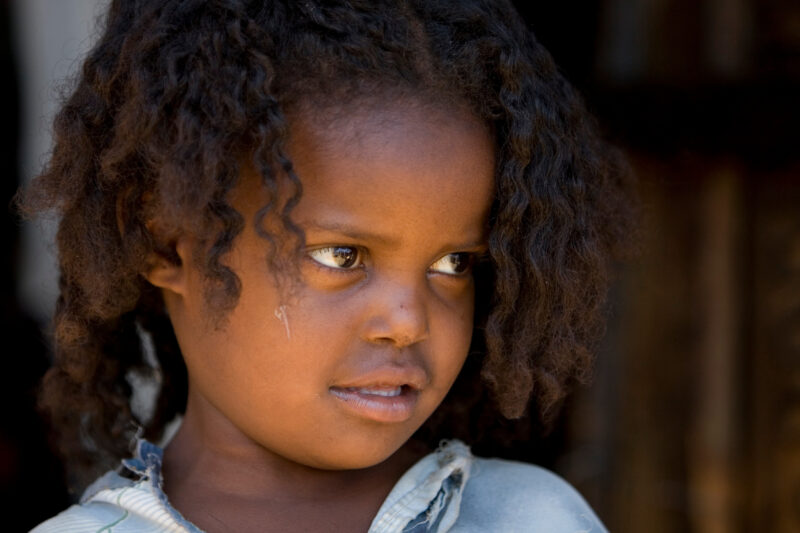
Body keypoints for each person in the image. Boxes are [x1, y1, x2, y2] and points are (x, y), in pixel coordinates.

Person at [24, 1, 633, 531]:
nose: (408, 321)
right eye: (343, 256)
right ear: (165, 245)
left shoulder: (533, 518)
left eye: (453, 263)